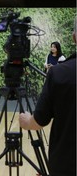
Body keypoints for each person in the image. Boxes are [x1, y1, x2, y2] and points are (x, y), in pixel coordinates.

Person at [19, 23, 76, 176]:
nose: (52, 49)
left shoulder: (59, 73)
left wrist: (26, 121)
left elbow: (38, 122)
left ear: (74, 37)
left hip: (66, 165)